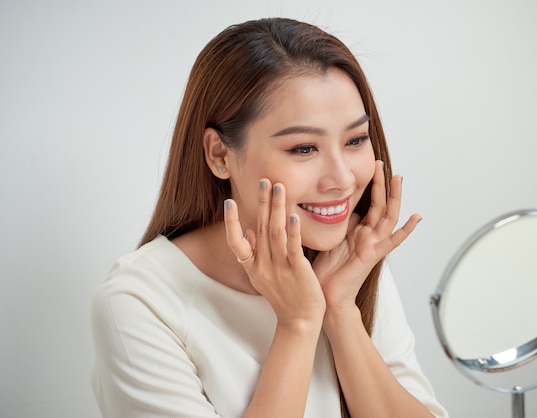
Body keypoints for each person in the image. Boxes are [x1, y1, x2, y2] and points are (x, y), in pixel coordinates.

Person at [91, 17, 447, 418]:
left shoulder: (347, 263)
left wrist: (341, 311)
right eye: (303, 149)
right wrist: (297, 324)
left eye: (355, 140)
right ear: (219, 155)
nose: (343, 179)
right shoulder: (140, 300)